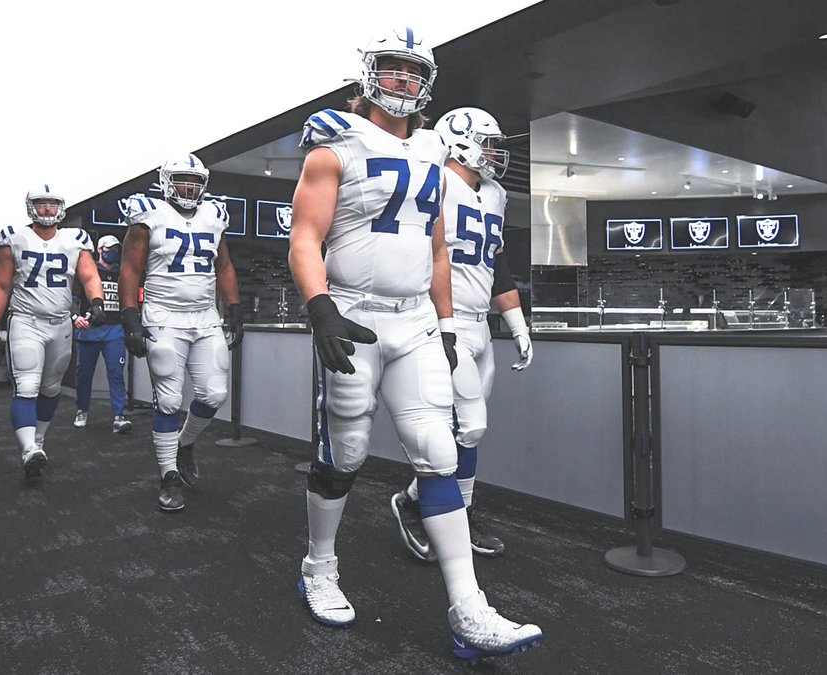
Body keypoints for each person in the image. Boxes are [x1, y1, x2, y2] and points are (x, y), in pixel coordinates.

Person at [287, 27, 541, 663]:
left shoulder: (433, 150)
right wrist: (320, 307)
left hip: (416, 319)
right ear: (370, 73)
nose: (402, 81)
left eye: (414, 72)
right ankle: (319, 567)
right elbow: (305, 236)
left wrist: (447, 325)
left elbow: (436, 249)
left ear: (427, 84)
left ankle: (469, 610)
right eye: (392, 69)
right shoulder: (336, 140)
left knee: (438, 451)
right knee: (345, 452)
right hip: (353, 314)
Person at [389, 107, 534, 560]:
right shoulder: (433, 181)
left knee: (468, 432)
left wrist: (517, 324)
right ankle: (443, 511)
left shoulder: (495, 194)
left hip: (479, 325)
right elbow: (420, 255)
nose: (494, 153)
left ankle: (422, 502)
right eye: (487, 143)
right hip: (441, 324)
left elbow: (496, 264)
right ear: (460, 141)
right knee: (462, 427)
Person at [118, 154, 243, 512]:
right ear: (166, 182)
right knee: (170, 401)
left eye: (194, 181)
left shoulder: (214, 215)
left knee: (214, 394)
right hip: (164, 317)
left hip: (205, 317)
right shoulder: (148, 214)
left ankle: (184, 444)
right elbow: (130, 268)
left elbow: (224, 265)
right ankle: (168, 475)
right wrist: (130, 316)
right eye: (182, 180)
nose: (188, 188)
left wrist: (234, 308)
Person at [0, 185, 105, 481]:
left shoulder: (75, 239)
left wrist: (97, 302)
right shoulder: (14, 237)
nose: (48, 209)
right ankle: (28, 449)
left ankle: (37, 442)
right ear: (31, 208)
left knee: (50, 388)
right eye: (42, 204)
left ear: (61, 208)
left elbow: (89, 275)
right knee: (27, 385)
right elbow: (0, 284)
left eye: (52, 204)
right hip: (25, 320)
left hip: (61, 322)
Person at [71, 234, 132, 434]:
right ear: (99, 250)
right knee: (84, 375)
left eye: (115, 249)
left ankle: (119, 415)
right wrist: (75, 317)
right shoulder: (88, 271)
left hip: (115, 330)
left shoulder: (121, 273)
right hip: (89, 331)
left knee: (116, 374)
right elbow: (73, 299)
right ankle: (82, 410)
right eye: (109, 249)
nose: (113, 252)